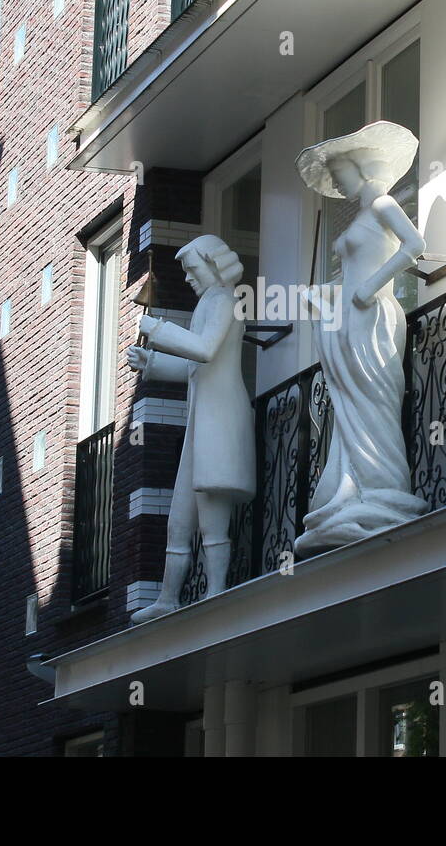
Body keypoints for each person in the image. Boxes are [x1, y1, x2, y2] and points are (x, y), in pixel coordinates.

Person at [294, 120, 430, 556]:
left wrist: (371, 287)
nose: (335, 182)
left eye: (339, 174)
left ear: (358, 166)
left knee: (372, 402)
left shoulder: (385, 204)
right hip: (349, 318)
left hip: (373, 318)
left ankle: (381, 488)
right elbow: (352, 273)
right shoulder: (363, 213)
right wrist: (328, 295)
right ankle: (349, 488)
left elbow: (415, 245)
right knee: (349, 404)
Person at [126, 235, 255, 622]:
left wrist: (157, 329)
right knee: (178, 517)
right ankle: (169, 596)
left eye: (192, 269)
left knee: (211, 511)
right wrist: (152, 362)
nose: (187, 279)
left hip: (219, 419)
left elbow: (204, 349)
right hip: (203, 422)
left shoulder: (225, 301)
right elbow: (194, 367)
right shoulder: (208, 303)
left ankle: (215, 591)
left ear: (214, 264)